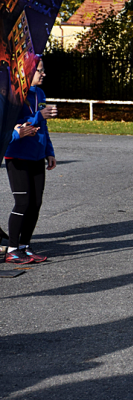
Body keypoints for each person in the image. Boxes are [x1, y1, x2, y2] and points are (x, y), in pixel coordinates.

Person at [4, 57, 57, 264]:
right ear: (27, 73)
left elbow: (42, 127)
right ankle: (12, 249)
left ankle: (25, 246)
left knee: (35, 203)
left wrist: (49, 151)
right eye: (39, 71)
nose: (43, 74)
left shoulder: (40, 93)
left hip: (37, 155)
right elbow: (13, 125)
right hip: (17, 155)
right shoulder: (14, 96)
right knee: (23, 202)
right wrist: (39, 116)